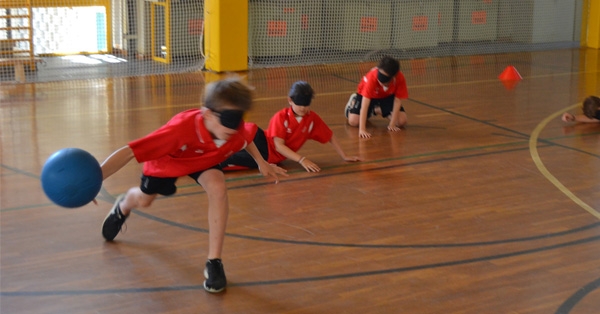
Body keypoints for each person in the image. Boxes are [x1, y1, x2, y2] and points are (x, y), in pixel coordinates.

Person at [97, 77, 287, 293]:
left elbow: (246, 137)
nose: (235, 126)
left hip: (204, 159)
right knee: (145, 200)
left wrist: (262, 163)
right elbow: (129, 151)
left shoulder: (232, 130)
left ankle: (214, 262)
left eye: (239, 119)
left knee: (218, 188)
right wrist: (95, 179)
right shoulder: (180, 130)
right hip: (168, 163)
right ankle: (124, 205)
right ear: (207, 113)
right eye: (229, 119)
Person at [220, 81, 361, 173]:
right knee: (231, 149)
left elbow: (330, 136)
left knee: (231, 159)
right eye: (299, 104)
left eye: (306, 105)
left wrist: (345, 155)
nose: (303, 108)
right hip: (262, 144)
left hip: (270, 156)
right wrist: (301, 159)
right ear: (290, 100)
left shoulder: (312, 119)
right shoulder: (280, 117)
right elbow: (279, 145)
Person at [345, 56, 409, 139]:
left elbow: (397, 101)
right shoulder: (372, 77)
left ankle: (376, 109)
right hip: (368, 96)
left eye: (385, 80)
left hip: (386, 96)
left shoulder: (399, 78)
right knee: (354, 122)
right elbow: (364, 105)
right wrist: (362, 129)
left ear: (393, 77)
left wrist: (392, 124)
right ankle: (352, 103)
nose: (381, 83)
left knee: (401, 122)